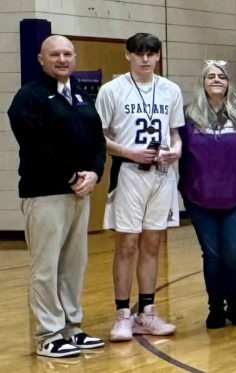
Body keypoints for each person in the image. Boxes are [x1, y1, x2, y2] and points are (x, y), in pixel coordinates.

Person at [8, 35, 106, 357]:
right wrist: (71, 175)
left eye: (67, 53)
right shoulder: (28, 98)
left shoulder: (80, 94)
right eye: (55, 54)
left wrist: (94, 172)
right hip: (46, 194)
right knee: (46, 266)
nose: (62, 59)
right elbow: (37, 145)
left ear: (74, 57)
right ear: (41, 59)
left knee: (74, 264)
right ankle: (48, 334)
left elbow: (97, 139)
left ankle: (71, 327)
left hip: (80, 193)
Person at [96, 32, 183, 341]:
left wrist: (177, 151)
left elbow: (175, 133)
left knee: (152, 243)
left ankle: (147, 312)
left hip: (161, 175)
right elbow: (99, 138)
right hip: (129, 172)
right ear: (128, 55)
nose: (145, 58)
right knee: (128, 244)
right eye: (139, 53)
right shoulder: (111, 91)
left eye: (151, 53)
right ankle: (122, 314)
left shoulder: (170, 90)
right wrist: (128, 151)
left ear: (159, 56)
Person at [179, 60, 236, 328]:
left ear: (229, 83)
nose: (216, 80)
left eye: (221, 76)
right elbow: (178, 154)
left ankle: (235, 304)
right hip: (200, 199)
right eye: (210, 76)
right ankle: (216, 307)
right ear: (202, 83)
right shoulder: (188, 117)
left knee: (233, 254)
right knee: (213, 255)